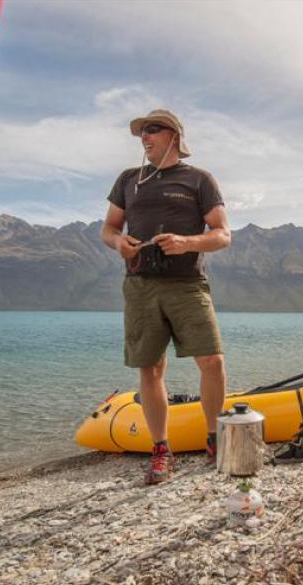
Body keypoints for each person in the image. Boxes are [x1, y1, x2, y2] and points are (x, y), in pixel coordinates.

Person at [101, 109, 231, 485]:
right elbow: (108, 228)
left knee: (212, 361)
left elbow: (222, 234)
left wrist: (186, 242)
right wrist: (118, 243)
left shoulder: (199, 179)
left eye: (152, 130)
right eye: (142, 131)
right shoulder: (129, 180)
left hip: (188, 284)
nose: (144, 136)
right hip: (140, 286)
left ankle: (214, 439)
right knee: (151, 368)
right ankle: (162, 451)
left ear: (173, 135)